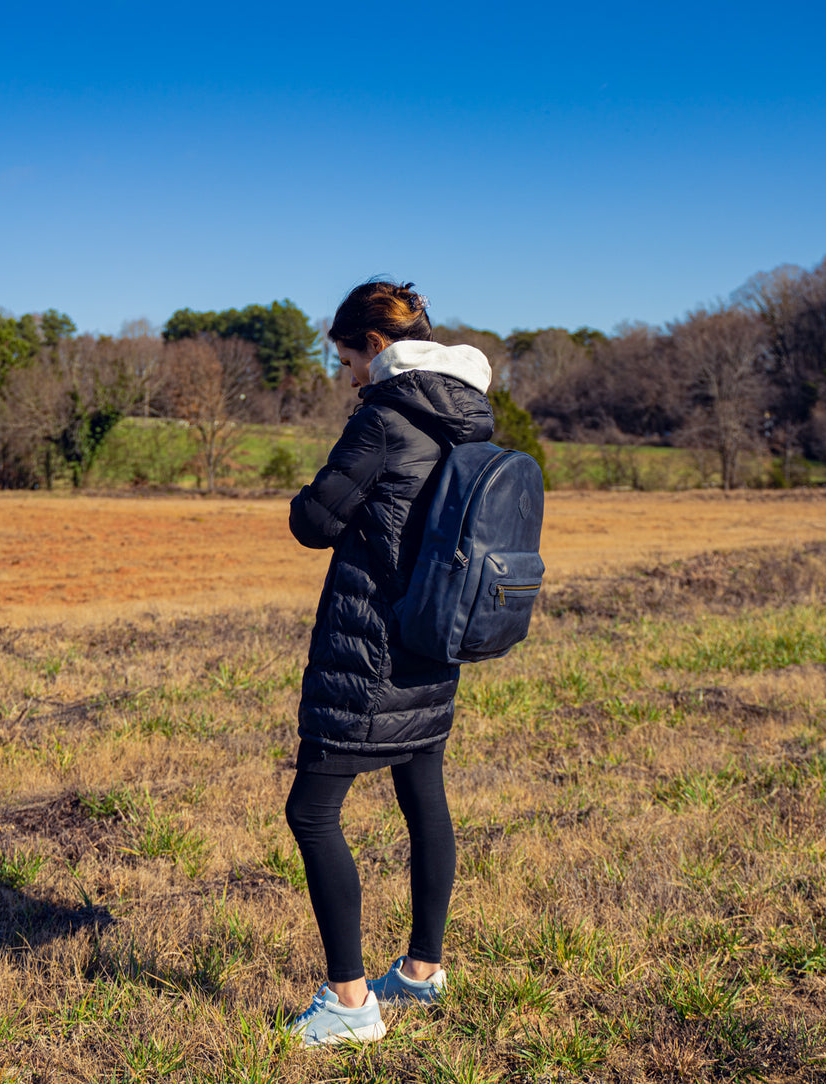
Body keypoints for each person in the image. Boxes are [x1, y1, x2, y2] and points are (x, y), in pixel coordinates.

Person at [284, 280, 495, 1046]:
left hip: (369, 646)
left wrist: (307, 499)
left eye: (345, 358)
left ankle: (348, 1005)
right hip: (434, 639)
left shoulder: (381, 418)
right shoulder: (468, 416)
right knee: (422, 792)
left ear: (373, 346)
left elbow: (314, 521)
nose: (344, 376)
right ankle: (418, 973)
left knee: (310, 812)